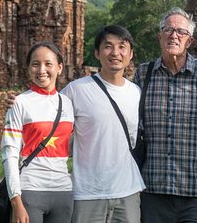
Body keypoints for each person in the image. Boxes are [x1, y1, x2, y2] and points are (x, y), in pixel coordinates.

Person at [133, 7, 197, 223]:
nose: (174, 35)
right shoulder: (143, 74)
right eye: (168, 30)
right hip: (152, 188)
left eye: (181, 32)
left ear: (189, 41)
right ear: (159, 36)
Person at [61, 25, 145, 223]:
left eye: (122, 47)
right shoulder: (77, 90)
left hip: (128, 191)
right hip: (88, 193)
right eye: (108, 46)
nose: (115, 53)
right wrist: (22, 103)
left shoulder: (137, 93)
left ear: (130, 54)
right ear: (97, 53)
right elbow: (50, 116)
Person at [2, 41, 75, 223]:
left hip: (63, 192)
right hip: (30, 190)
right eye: (35, 64)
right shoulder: (19, 103)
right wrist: (16, 201)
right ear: (28, 69)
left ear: (59, 68)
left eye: (48, 64)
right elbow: (9, 153)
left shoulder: (67, 103)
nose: (41, 70)